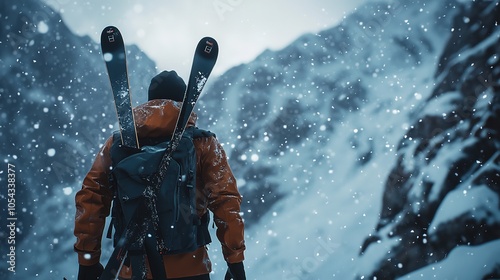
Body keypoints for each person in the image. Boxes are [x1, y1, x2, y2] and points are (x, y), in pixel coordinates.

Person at [74, 70, 246, 280]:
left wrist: (87, 261)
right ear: (186, 103)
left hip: (132, 267)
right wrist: (235, 261)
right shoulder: (203, 144)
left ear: (149, 102)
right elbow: (226, 202)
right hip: (190, 268)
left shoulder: (117, 144)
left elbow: (91, 198)